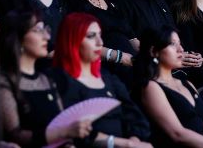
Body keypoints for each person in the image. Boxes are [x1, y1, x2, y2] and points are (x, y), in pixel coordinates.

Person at [53, 12, 152, 148]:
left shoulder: (108, 79)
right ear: (72, 39)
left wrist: (133, 141)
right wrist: (124, 144)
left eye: (100, 35)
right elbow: (72, 132)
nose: (100, 43)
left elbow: (137, 119)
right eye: (91, 36)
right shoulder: (58, 81)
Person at [0, 10, 92, 148]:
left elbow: (61, 122)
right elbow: (15, 135)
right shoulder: (3, 81)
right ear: (18, 38)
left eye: (46, 30)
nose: (46, 37)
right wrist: (64, 132)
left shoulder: (47, 79)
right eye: (37, 30)